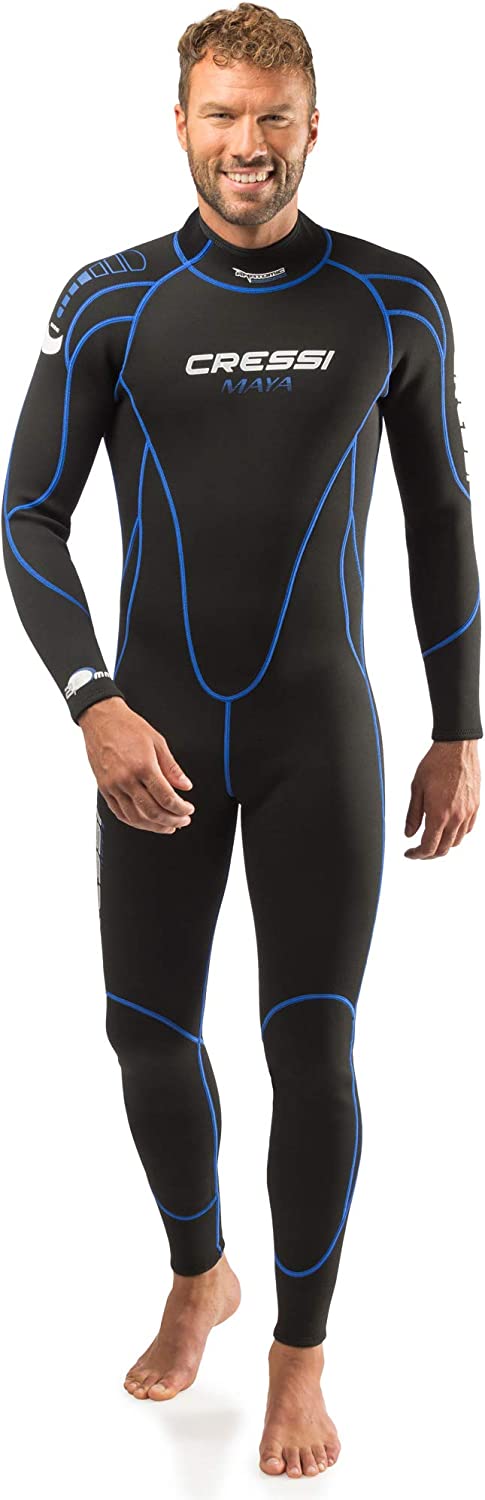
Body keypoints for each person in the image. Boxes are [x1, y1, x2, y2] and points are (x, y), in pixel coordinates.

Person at [2, 0, 482, 1480]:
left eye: (274, 116)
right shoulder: (112, 299)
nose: (248, 143)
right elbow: (26, 516)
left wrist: (459, 727)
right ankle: (198, 1270)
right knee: (146, 1034)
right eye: (222, 114)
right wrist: (93, 702)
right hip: (147, 732)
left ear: (313, 125)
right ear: (180, 126)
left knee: (310, 1048)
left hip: (316, 735)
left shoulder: (393, 297)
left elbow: (441, 518)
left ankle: (298, 1355)